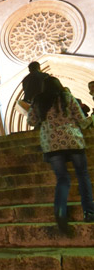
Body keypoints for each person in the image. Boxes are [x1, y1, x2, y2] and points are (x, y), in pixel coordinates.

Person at [28, 76, 94, 233]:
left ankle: (60, 211)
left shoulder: (38, 100)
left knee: (62, 179)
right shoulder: (67, 98)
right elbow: (82, 121)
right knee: (82, 176)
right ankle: (89, 212)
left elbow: (31, 121)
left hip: (52, 144)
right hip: (72, 140)